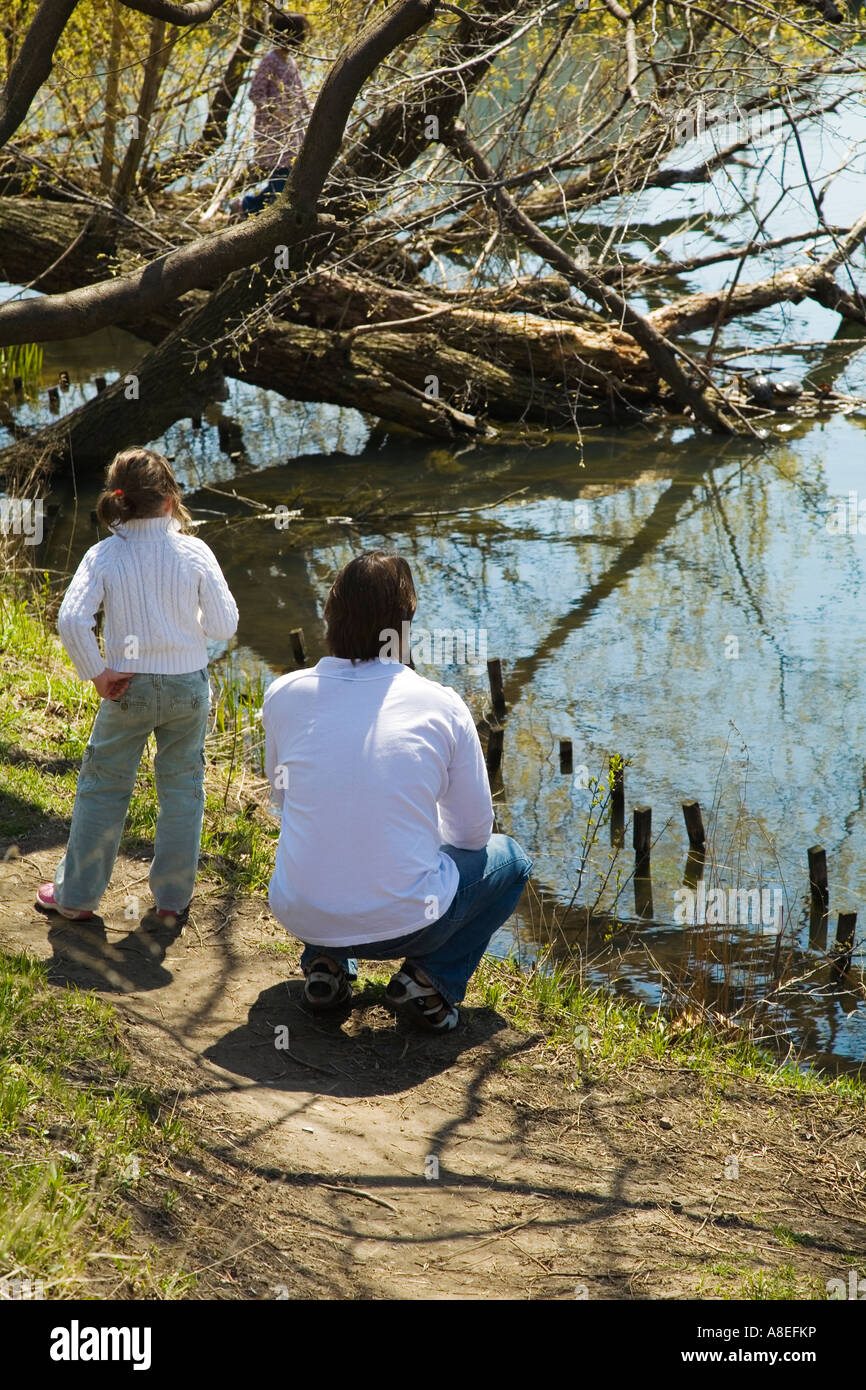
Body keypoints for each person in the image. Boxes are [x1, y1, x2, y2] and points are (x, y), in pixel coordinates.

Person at [262, 551, 532, 1032]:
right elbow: (473, 835)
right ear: (405, 625)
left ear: (330, 616)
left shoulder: (284, 694)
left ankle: (326, 962)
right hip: (413, 922)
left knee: (328, 825)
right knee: (510, 859)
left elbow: (284, 801)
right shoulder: (441, 704)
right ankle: (430, 981)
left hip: (301, 911)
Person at [36, 447, 239, 925]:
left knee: (104, 787)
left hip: (127, 687)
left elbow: (71, 619)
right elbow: (224, 625)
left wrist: (97, 672)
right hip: (188, 687)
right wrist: (186, 618)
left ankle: (76, 897)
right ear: (170, 499)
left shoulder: (104, 553)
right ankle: (171, 902)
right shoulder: (194, 550)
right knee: (183, 790)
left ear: (119, 500)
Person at [235, 10, 311, 219]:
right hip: (273, 134)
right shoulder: (270, 61)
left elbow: (300, 94)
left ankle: (248, 206)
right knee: (281, 181)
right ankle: (248, 206)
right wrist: (275, 111)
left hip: (291, 133)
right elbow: (255, 93)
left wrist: (312, 112)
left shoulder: (291, 62)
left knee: (288, 178)